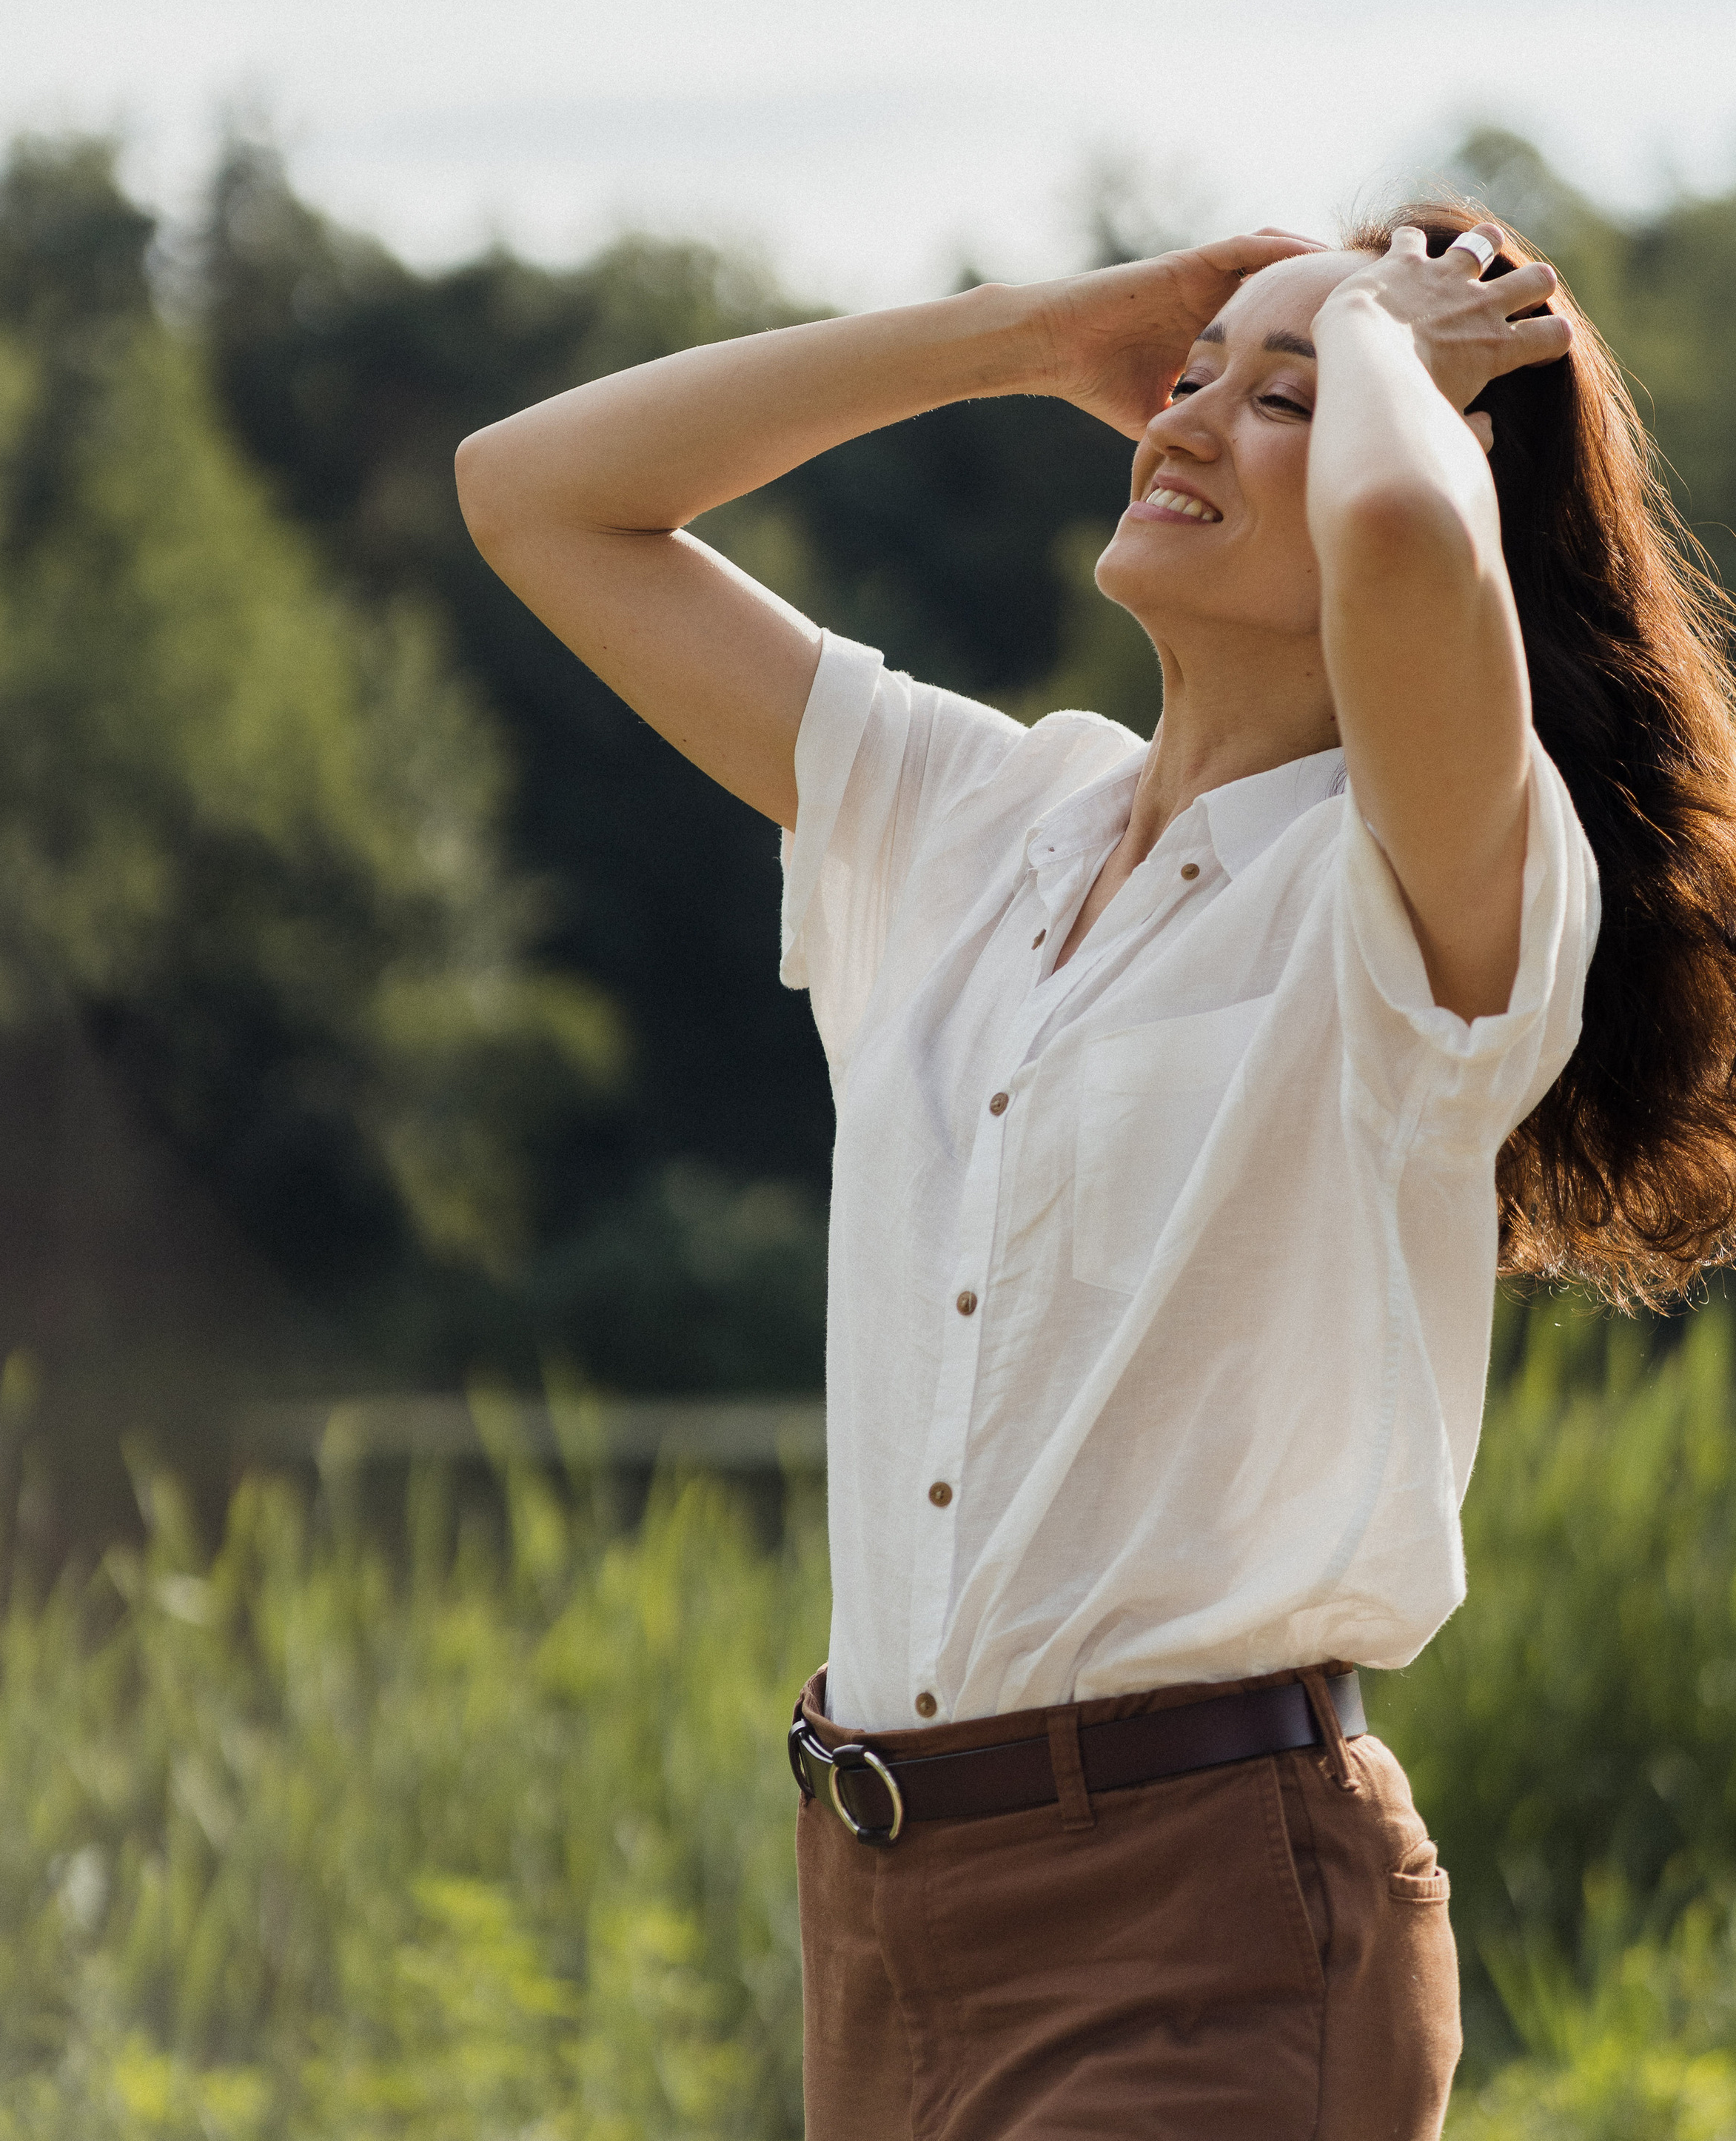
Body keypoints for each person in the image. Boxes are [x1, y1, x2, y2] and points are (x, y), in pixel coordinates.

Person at [454, 205, 1736, 2139]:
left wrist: (1392, 342)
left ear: (1436, 449)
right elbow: (535, 493)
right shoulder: (980, 823)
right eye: (1194, 375)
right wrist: (1033, 331)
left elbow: (1397, 542)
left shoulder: (1431, 879)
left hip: (1211, 1933)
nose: (1190, 419)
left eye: (1284, 395)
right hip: (884, 1920)